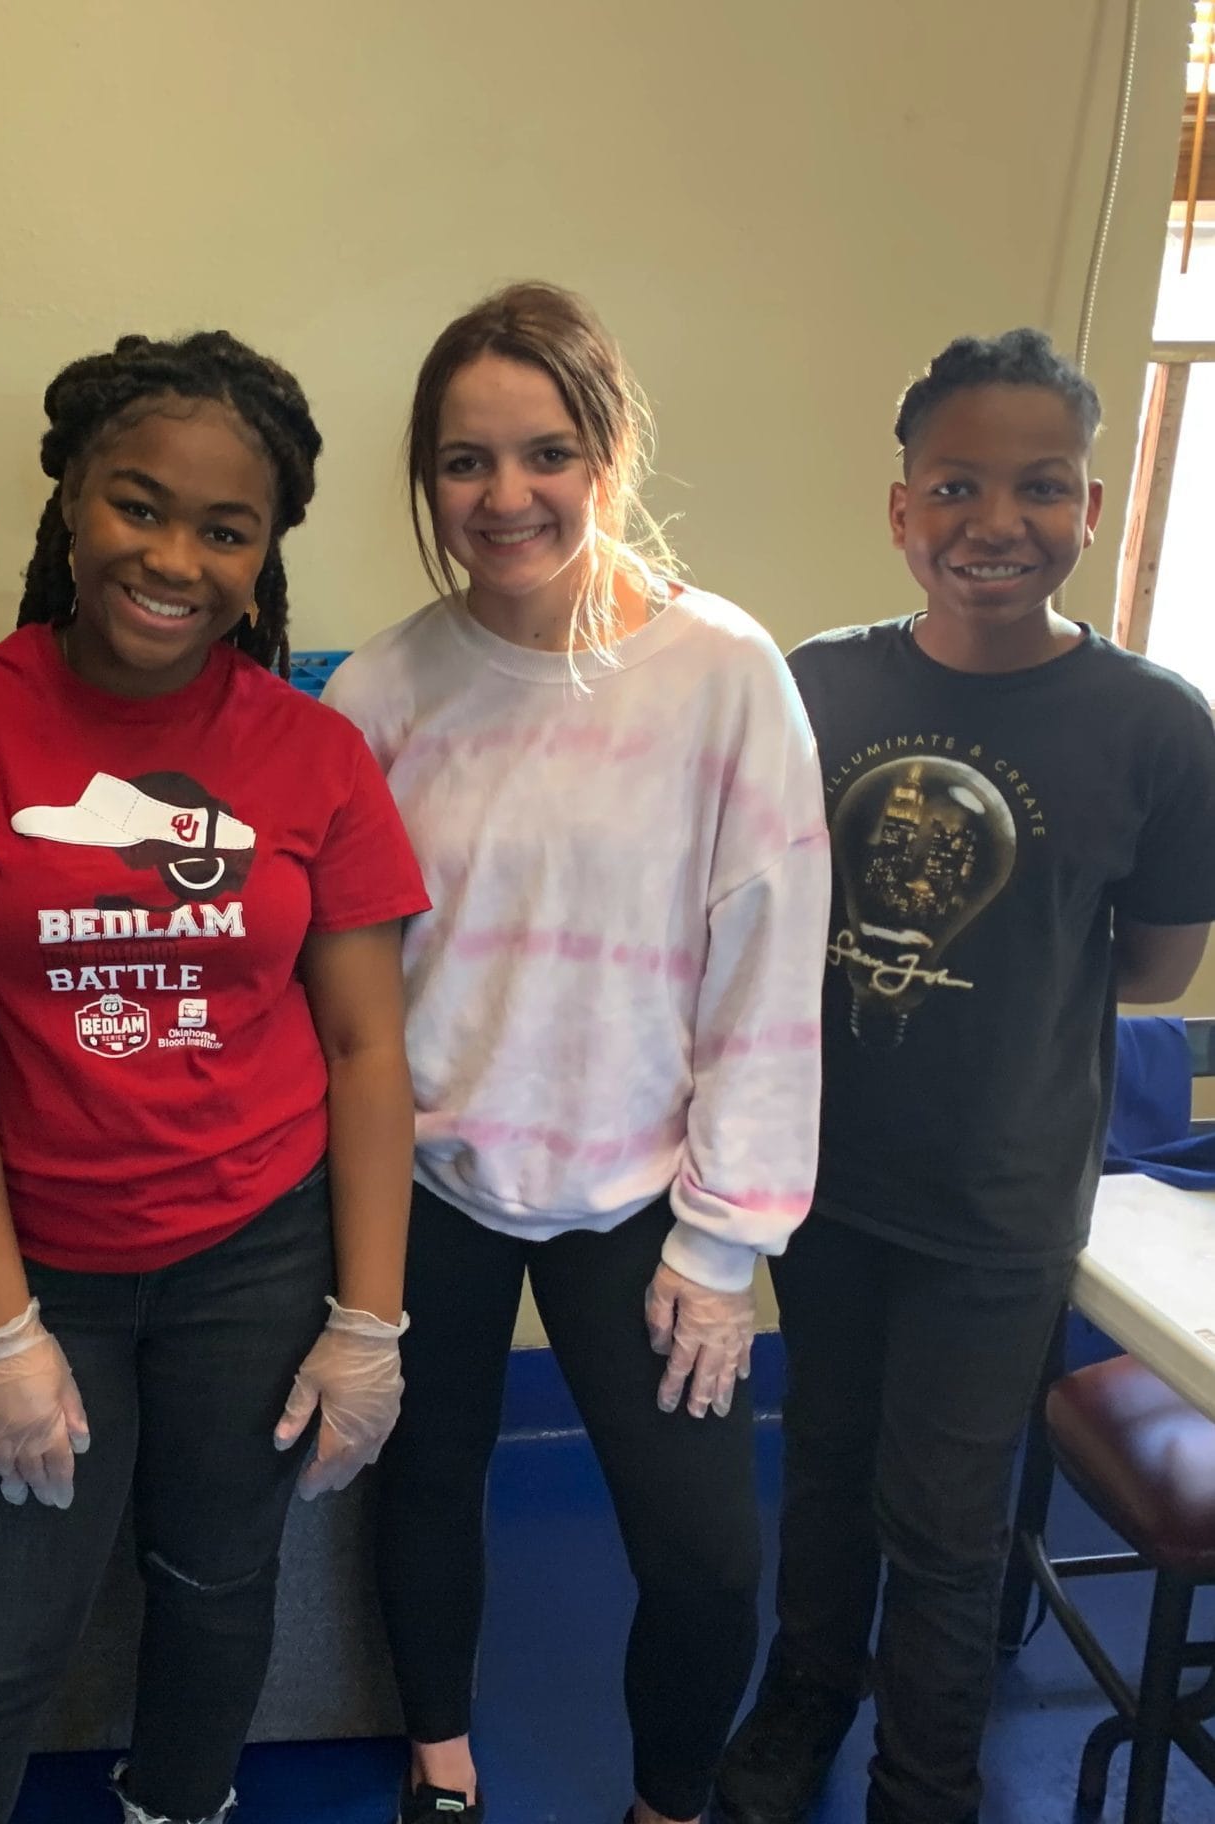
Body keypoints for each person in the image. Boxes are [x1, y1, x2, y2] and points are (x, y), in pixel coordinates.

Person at [0, 330, 428, 1824]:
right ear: (72, 502)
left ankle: (179, 1805)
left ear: (263, 555)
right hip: (35, 1261)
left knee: (218, 1587)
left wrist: (370, 1319)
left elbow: (366, 1048)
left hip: (256, 1254)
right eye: (137, 506)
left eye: (226, 530)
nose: (173, 560)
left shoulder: (314, 754)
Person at [324, 281, 830, 1824]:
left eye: (546, 452)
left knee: (707, 1558)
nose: (506, 496)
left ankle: (667, 1805)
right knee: (426, 1484)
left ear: (610, 453)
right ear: (428, 481)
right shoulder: (381, 692)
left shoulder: (723, 672)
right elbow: (347, 989)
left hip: (645, 1192)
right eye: (465, 462)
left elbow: (768, 970)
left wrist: (727, 1239)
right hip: (432, 1177)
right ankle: (442, 1765)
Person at [714, 328, 1215, 1824]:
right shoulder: (815, 688)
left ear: (1094, 507)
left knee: (941, 1520)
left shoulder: (1157, 726)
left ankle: (923, 1785)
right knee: (822, 1464)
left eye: (1041, 486)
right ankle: (806, 1693)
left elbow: (1155, 968)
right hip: (824, 1178)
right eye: (956, 487)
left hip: (1000, 1203)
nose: (997, 521)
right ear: (900, 509)